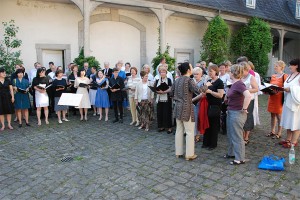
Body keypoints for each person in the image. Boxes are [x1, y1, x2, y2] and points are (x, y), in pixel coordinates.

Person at [172, 62, 201, 161]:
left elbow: (171, 93)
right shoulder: (189, 80)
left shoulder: (177, 80)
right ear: (188, 70)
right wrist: (208, 85)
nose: (192, 68)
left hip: (177, 107)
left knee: (179, 130)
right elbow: (199, 90)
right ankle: (189, 154)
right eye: (191, 67)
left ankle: (178, 152)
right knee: (189, 132)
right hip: (187, 108)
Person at [225, 64, 251, 165]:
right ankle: (231, 153)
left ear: (233, 73)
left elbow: (248, 96)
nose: (228, 73)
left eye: (229, 71)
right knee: (231, 134)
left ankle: (240, 158)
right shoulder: (235, 83)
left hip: (237, 113)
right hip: (231, 111)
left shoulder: (239, 84)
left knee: (237, 136)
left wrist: (244, 108)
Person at [202, 64, 224, 150]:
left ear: (216, 71)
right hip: (208, 104)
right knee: (207, 124)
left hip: (215, 105)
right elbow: (202, 90)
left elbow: (220, 95)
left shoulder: (219, 82)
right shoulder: (209, 80)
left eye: (211, 71)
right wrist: (206, 85)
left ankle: (213, 144)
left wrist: (210, 91)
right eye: (208, 71)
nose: (209, 73)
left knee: (214, 125)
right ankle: (206, 142)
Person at [280, 58, 300, 148]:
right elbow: (286, 85)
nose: (289, 67)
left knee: (295, 123)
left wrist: (291, 89)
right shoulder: (290, 75)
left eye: (291, 65)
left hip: (296, 104)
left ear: (297, 66)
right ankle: (288, 139)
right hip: (287, 101)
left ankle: (293, 142)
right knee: (289, 121)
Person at [265, 61, 288, 139]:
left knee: (279, 115)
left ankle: (279, 132)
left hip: (279, 98)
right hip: (272, 97)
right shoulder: (273, 76)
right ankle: (272, 131)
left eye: (277, 66)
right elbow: (270, 85)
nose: (275, 67)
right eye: (275, 66)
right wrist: (268, 90)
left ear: (281, 67)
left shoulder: (284, 76)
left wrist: (278, 91)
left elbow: (286, 88)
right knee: (272, 115)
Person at [240, 61, 258, 145]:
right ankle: (241, 135)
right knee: (241, 117)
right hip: (240, 99)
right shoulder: (240, 77)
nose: (240, 72)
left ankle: (246, 137)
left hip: (249, 100)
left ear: (246, 70)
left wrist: (245, 90)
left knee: (247, 116)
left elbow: (256, 89)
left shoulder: (251, 77)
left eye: (242, 70)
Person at [155, 65, 173, 134]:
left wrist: (164, 91)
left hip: (167, 98)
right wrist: (157, 91)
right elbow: (155, 88)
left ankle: (169, 127)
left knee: (167, 113)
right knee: (160, 113)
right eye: (161, 72)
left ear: (166, 73)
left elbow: (171, 88)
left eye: (163, 72)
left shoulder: (169, 80)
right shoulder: (157, 80)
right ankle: (161, 126)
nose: (162, 73)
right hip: (159, 98)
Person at [192, 67, 208, 142]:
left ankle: (197, 135)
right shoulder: (191, 81)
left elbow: (203, 93)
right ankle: (192, 134)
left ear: (201, 74)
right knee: (192, 119)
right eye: (194, 74)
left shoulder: (203, 82)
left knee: (198, 118)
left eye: (197, 74)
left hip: (199, 102)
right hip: (191, 102)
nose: (195, 75)